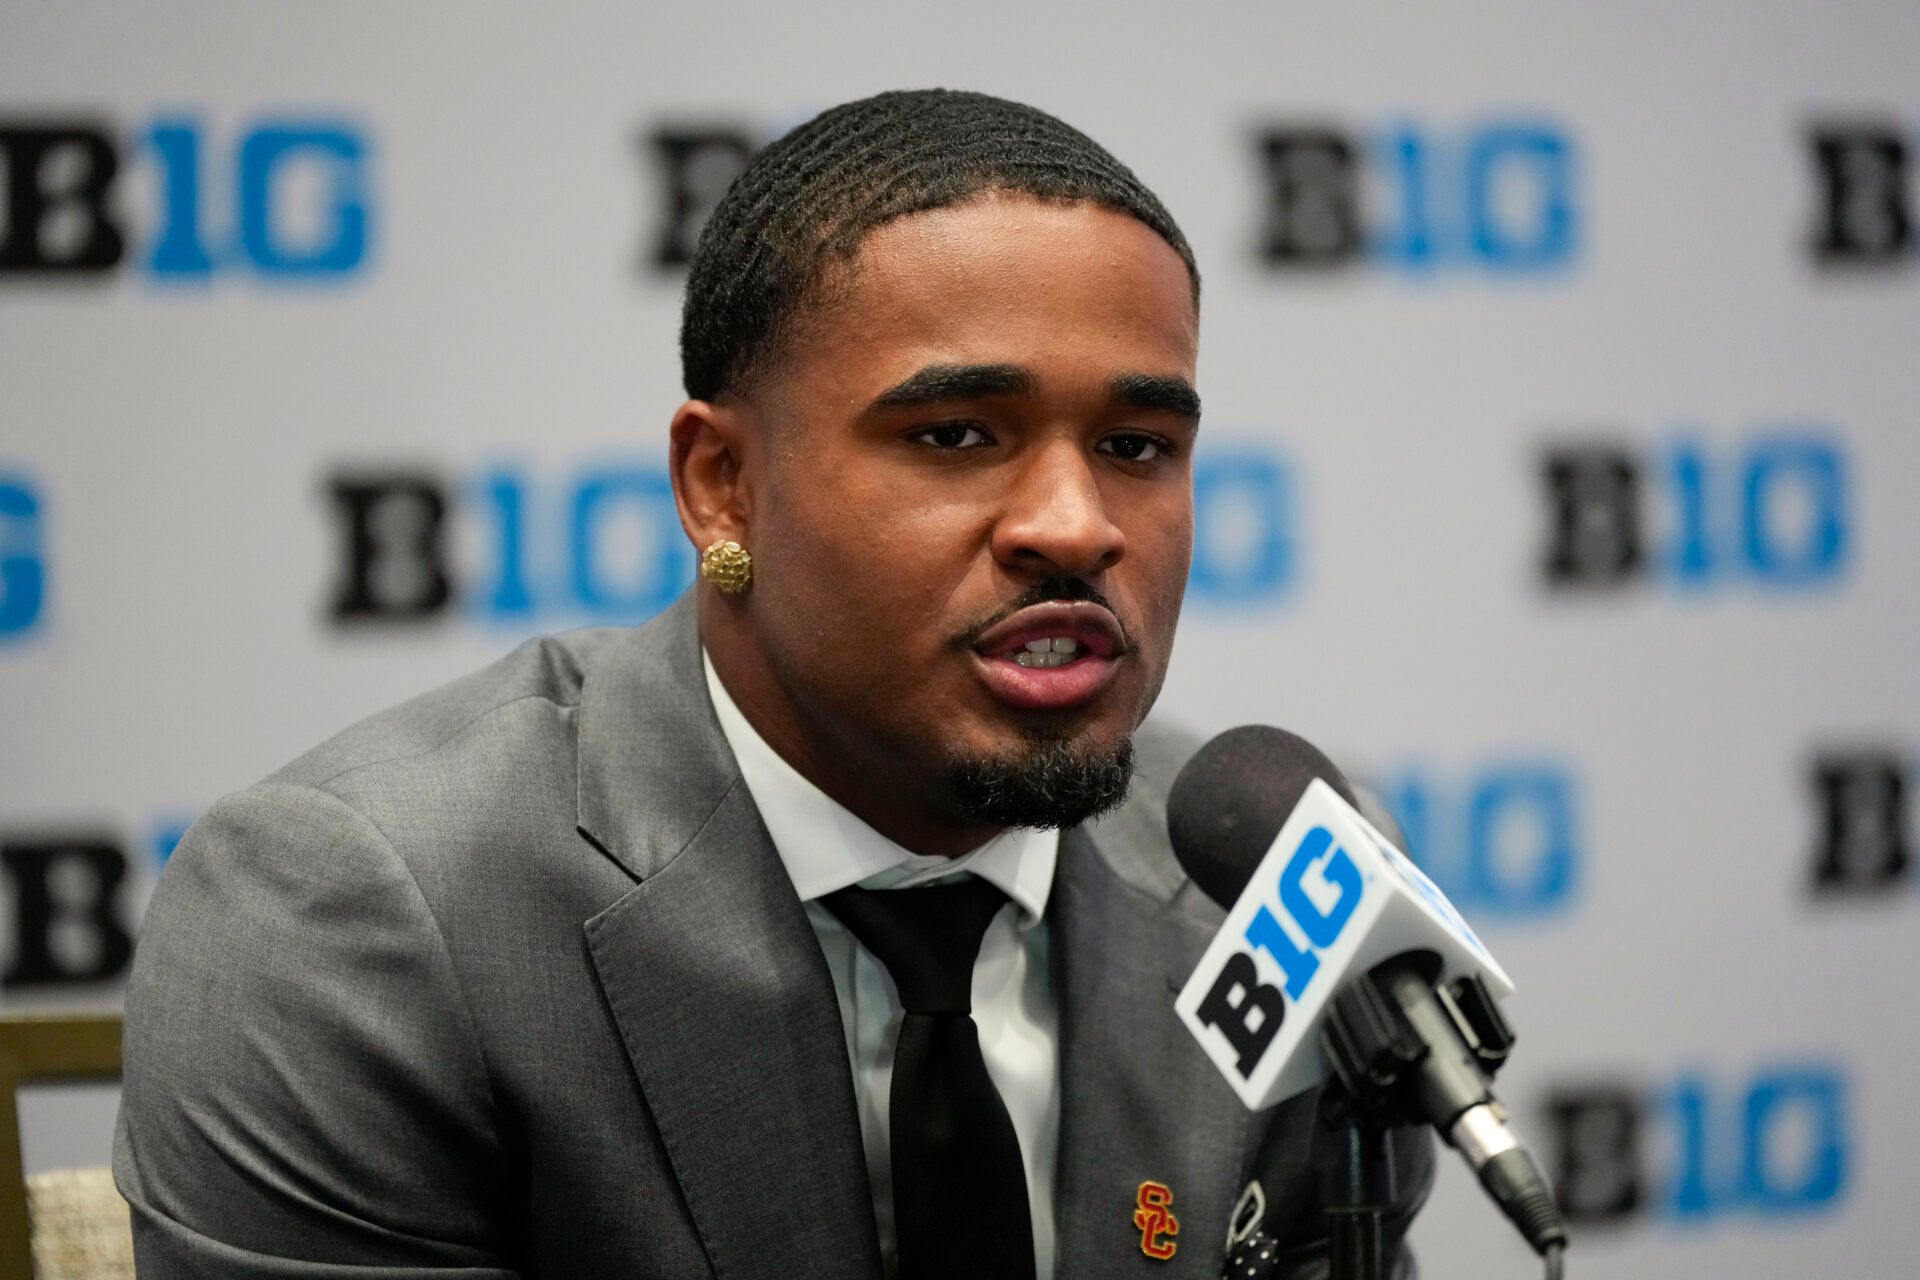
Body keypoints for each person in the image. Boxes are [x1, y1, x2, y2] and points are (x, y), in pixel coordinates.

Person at [115, 88, 1431, 1279]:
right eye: (959, 435)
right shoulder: (360, 917)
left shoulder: (1266, 887)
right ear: (722, 487)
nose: (1077, 525)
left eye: (1138, 444)